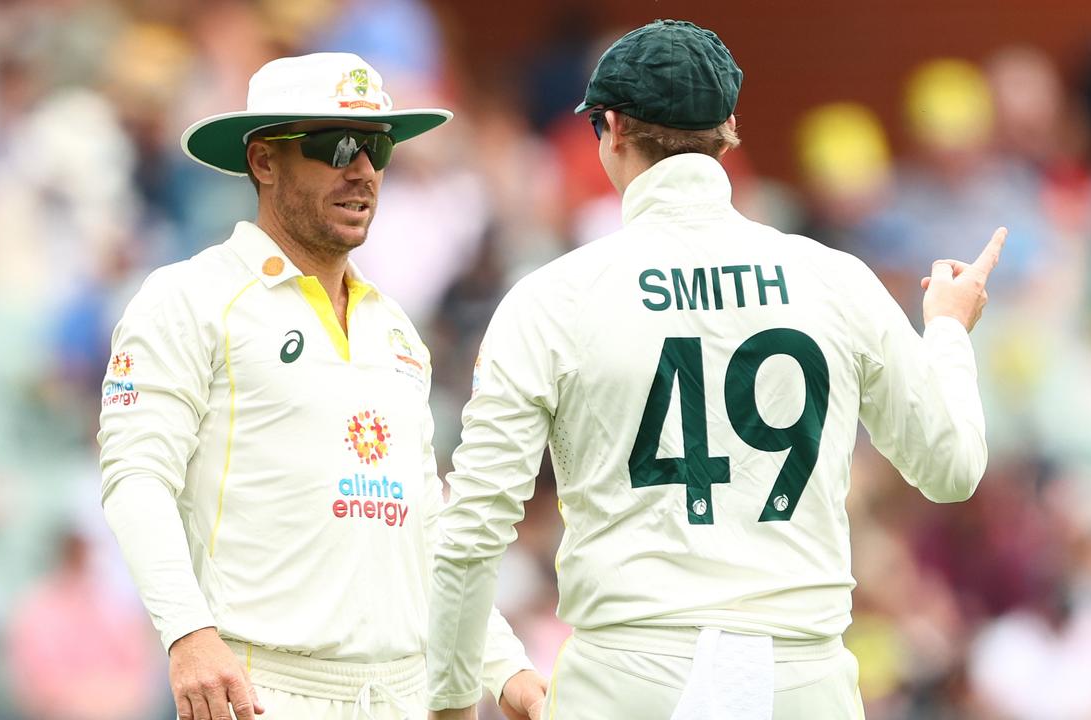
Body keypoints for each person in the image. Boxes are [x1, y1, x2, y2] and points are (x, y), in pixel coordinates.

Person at [425, 20, 1005, 720]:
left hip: (630, 673)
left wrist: (454, 698)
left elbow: (474, 531)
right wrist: (945, 328)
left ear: (610, 128)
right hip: (801, 676)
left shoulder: (552, 297)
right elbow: (952, 467)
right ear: (730, 127)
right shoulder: (835, 279)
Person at [98, 52, 545, 720]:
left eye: (377, 147)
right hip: (259, 690)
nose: (362, 170)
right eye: (335, 146)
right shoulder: (189, 298)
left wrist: (506, 667)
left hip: (401, 694)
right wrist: (188, 633)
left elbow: (426, 523)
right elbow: (136, 478)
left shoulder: (394, 327)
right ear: (264, 161)